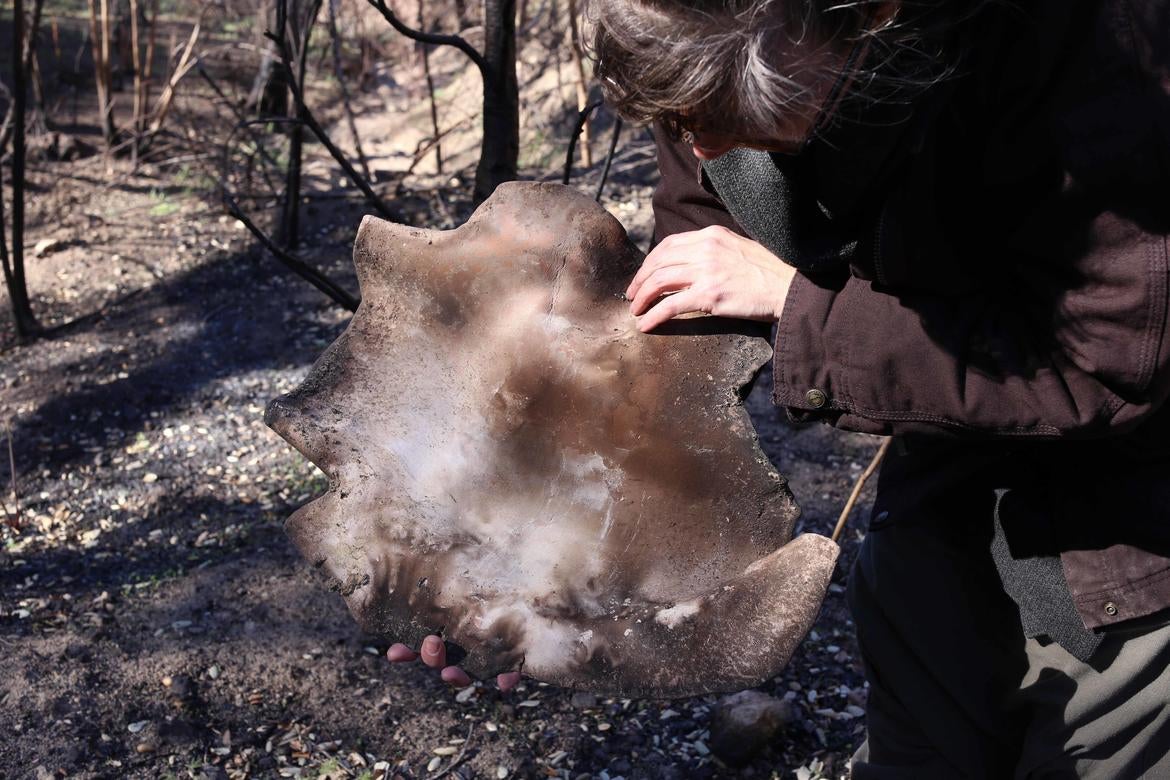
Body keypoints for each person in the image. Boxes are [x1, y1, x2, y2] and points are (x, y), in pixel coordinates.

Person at [389, 1, 1170, 776]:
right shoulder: (701, 47)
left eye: (727, 111)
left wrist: (798, 303)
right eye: (682, 119)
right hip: (943, 474)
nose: (703, 143)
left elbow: (1108, 359)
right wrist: (524, 548)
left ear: (865, 18)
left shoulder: (1096, 52)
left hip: (1137, 522)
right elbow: (692, 263)